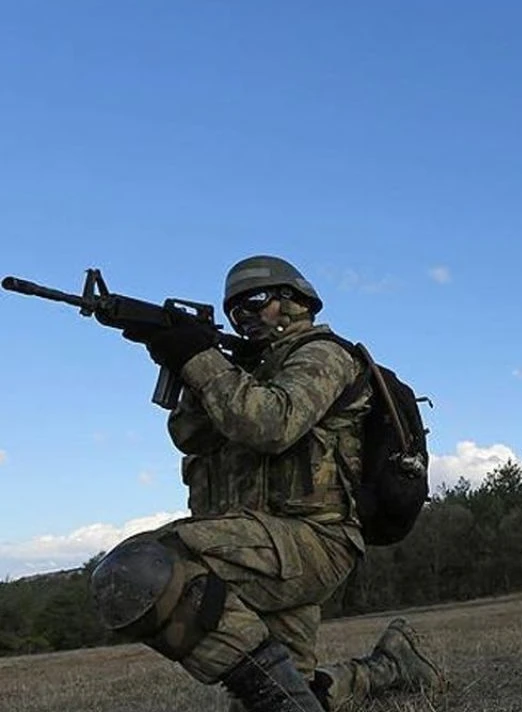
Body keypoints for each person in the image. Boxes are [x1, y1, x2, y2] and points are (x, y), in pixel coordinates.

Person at [86, 255, 444, 711]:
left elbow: (271, 424)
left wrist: (200, 357)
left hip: (313, 540)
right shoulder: (243, 373)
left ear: (295, 301)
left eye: (256, 301)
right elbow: (189, 435)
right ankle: (390, 667)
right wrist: (187, 360)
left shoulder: (324, 355)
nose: (245, 315)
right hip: (261, 542)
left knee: (142, 568)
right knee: (284, 691)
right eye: (235, 310)